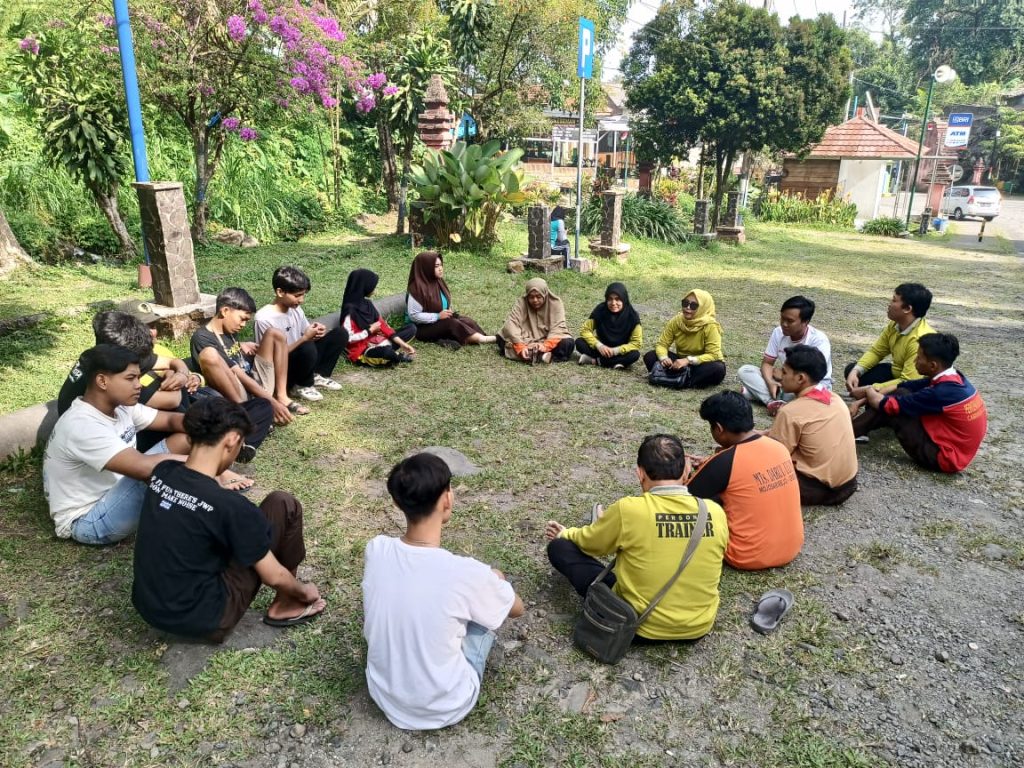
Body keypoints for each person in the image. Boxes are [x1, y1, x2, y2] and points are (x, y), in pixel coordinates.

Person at [132, 398, 326, 642]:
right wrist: (305, 591)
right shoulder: (231, 507)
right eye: (241, 446)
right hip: (206, 618)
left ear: (190, 436)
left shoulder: (163, 473)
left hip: (149, 607)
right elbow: (273, 576)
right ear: (232, 440)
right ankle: (288, 602)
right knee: (283, 503)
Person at [362, 453, 524, 730]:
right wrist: (494, 578)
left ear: (396, 502)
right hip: (447, 705)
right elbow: (517, 609)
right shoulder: (465, 573)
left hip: (383, 694)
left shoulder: (376, 549)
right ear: (447, 498)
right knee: (488, 597)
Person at [42, 345, 252, 545]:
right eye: (131, 378)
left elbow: (171, 421)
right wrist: (212, 465)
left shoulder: (120, 407)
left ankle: (206, 483)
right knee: (160, 472)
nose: (138, 385)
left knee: (185, 438)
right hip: (90, 520)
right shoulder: (82, 425)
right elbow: (146, 468)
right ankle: (212, 503)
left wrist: (216, 424)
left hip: (117, 490)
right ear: (102, 381)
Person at [545, 434, 728, 642]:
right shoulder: (715, 512)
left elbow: (590, 544)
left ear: (639, 473)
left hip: (634, 625)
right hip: (698, 627)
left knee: (560, 548)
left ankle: (604, 526)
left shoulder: (630, 510)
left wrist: (564, 533)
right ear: (687, 470)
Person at [58, 310, 204, 451]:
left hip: (117, 422)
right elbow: (171, 401)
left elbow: (172, 362)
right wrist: (172, 375)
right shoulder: (112, 377)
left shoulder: (110, 355)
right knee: (184, 428)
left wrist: (181, 374)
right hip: (106, 437)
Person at [688, 392, 803, 570]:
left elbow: (683, 498)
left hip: (745, 555)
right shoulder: (778, 447)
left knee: (701, 506)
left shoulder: (726, 461)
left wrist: (685, 471)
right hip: (792, 548)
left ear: (718, 428)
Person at [851, 333, 987, 472]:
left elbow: (883, 404)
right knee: (901, 392)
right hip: (957, 451)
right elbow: (907, 385)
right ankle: (849, 431)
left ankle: (844, 434)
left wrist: (868, 389)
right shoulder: (953, 377)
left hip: (944, 458)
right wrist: (861, 400)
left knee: (893, 407)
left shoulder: (940, 392)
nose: (915, 360)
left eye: (919, 357)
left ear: (933, 365)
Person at [191, 287, 302, 425]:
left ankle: (282, 396)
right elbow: (237, 372)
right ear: (225, 311)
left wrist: (241, 344)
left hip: (253, 382)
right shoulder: (202, 338)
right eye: (242, 319)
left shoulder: (229, 330)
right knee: (210, 355)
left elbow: (230, 353)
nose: (243, 325)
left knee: (275, 334)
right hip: (238, 391)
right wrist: (271, 403)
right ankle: (246, 413)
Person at [767, 345, 858, 506]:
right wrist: (762, 434)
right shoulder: (835, 398)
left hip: (815, 490)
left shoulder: (790, 412)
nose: (780, 376)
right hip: (848, 486)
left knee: (751, 471)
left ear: (801, 378)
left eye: (785, 372)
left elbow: (775, 457)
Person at [254, 265, 346, 402]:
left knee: (340, 334)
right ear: (280, 292)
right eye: (297, 296)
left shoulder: (295, 309)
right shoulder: (264, 318)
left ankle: (316, 375)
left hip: (301, 355)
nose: (301, 300)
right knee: (306, 345)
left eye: (303, 295)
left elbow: (305, 331)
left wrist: (316, 331)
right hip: (282, 367)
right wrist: (304, 338)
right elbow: (270, 358)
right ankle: (299, 385)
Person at [737, 295, 832, 415]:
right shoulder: (778, 332)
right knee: (745, 371)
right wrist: (770, 382)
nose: (784, 324)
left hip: (810, 385)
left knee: (808, 398)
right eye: (782, 318)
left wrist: (781, 375)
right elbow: (767, 363)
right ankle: (773, 402)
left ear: (805, 322)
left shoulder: (818, 340)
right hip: (787, 380)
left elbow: (809, 378)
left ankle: (758, 394)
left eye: (790, 321)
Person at [845, 282, 935, 398]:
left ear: (907, 308)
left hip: (914, 386)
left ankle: (874, 405)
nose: (889, 304)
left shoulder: (919, 340)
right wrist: (855, 371)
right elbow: (877, 352)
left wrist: (872, 389)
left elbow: (908, 381)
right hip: (896, 374)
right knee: (852, 370)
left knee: (900, 393)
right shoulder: (895, 325)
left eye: (894, 300)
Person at [405, 251, 496, 349]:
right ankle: (483, 340)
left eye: (441, 265)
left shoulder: (438, 282)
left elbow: (444, 304)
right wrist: (437, 316)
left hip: (438, 321)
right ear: (425, 268)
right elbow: (413, 315)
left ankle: (484, 336)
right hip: (420, 329)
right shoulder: (416, 289)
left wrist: (448, 312)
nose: (440, 269)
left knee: (467, 321)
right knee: (452, 324)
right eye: (436, 266)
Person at [643, 289, 727, 389]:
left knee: (717, 368)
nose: (687, 308)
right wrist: (664, 358)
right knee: (650, 356)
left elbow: (713, 355)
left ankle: (674, 379)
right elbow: (662, 344)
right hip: (680, 363)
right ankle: (681, 380)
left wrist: (688, 360)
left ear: (703, 308)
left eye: (694, 305)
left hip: (701, 364)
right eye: (685, 303)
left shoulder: (711, 326)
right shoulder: (677, 321)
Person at [341, 269, 417, 367]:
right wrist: (369, 331)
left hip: (380, 341)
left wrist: (403, 344)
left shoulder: (367, 304)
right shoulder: (349, 311)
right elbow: (348, 338)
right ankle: (396, 356)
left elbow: (383, 326)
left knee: (411, 329)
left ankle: (390, 351)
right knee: (386, 353)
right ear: (364, 287)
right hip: (364, 350)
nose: (374, 291)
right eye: (372, 287)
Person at [497, 277, 574, 364]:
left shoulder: (555, 303)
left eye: (538, 296)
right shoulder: (521, 303)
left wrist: (545, 346)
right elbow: (511, 324)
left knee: (567, 343)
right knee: (502, 338)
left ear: (544, 294)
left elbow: (558, 327)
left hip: (548, 338)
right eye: (531, 297)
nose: (535, 300)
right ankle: (541, 356)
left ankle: (533, 354)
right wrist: (520, 345)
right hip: (524, 338)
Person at [575, 282, 643, 369]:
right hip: (602, 348)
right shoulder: (601, 310)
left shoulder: (632, 316)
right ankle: (617, 362)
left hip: (620, 350)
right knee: (579, 342)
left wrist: (616, 351)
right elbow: (585, 330)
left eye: (618, 299)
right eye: (610, 299)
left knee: (634, 354)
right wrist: (599, 345)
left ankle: (594, 361)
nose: (613, 303)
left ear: (624, 299)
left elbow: (636, 343)